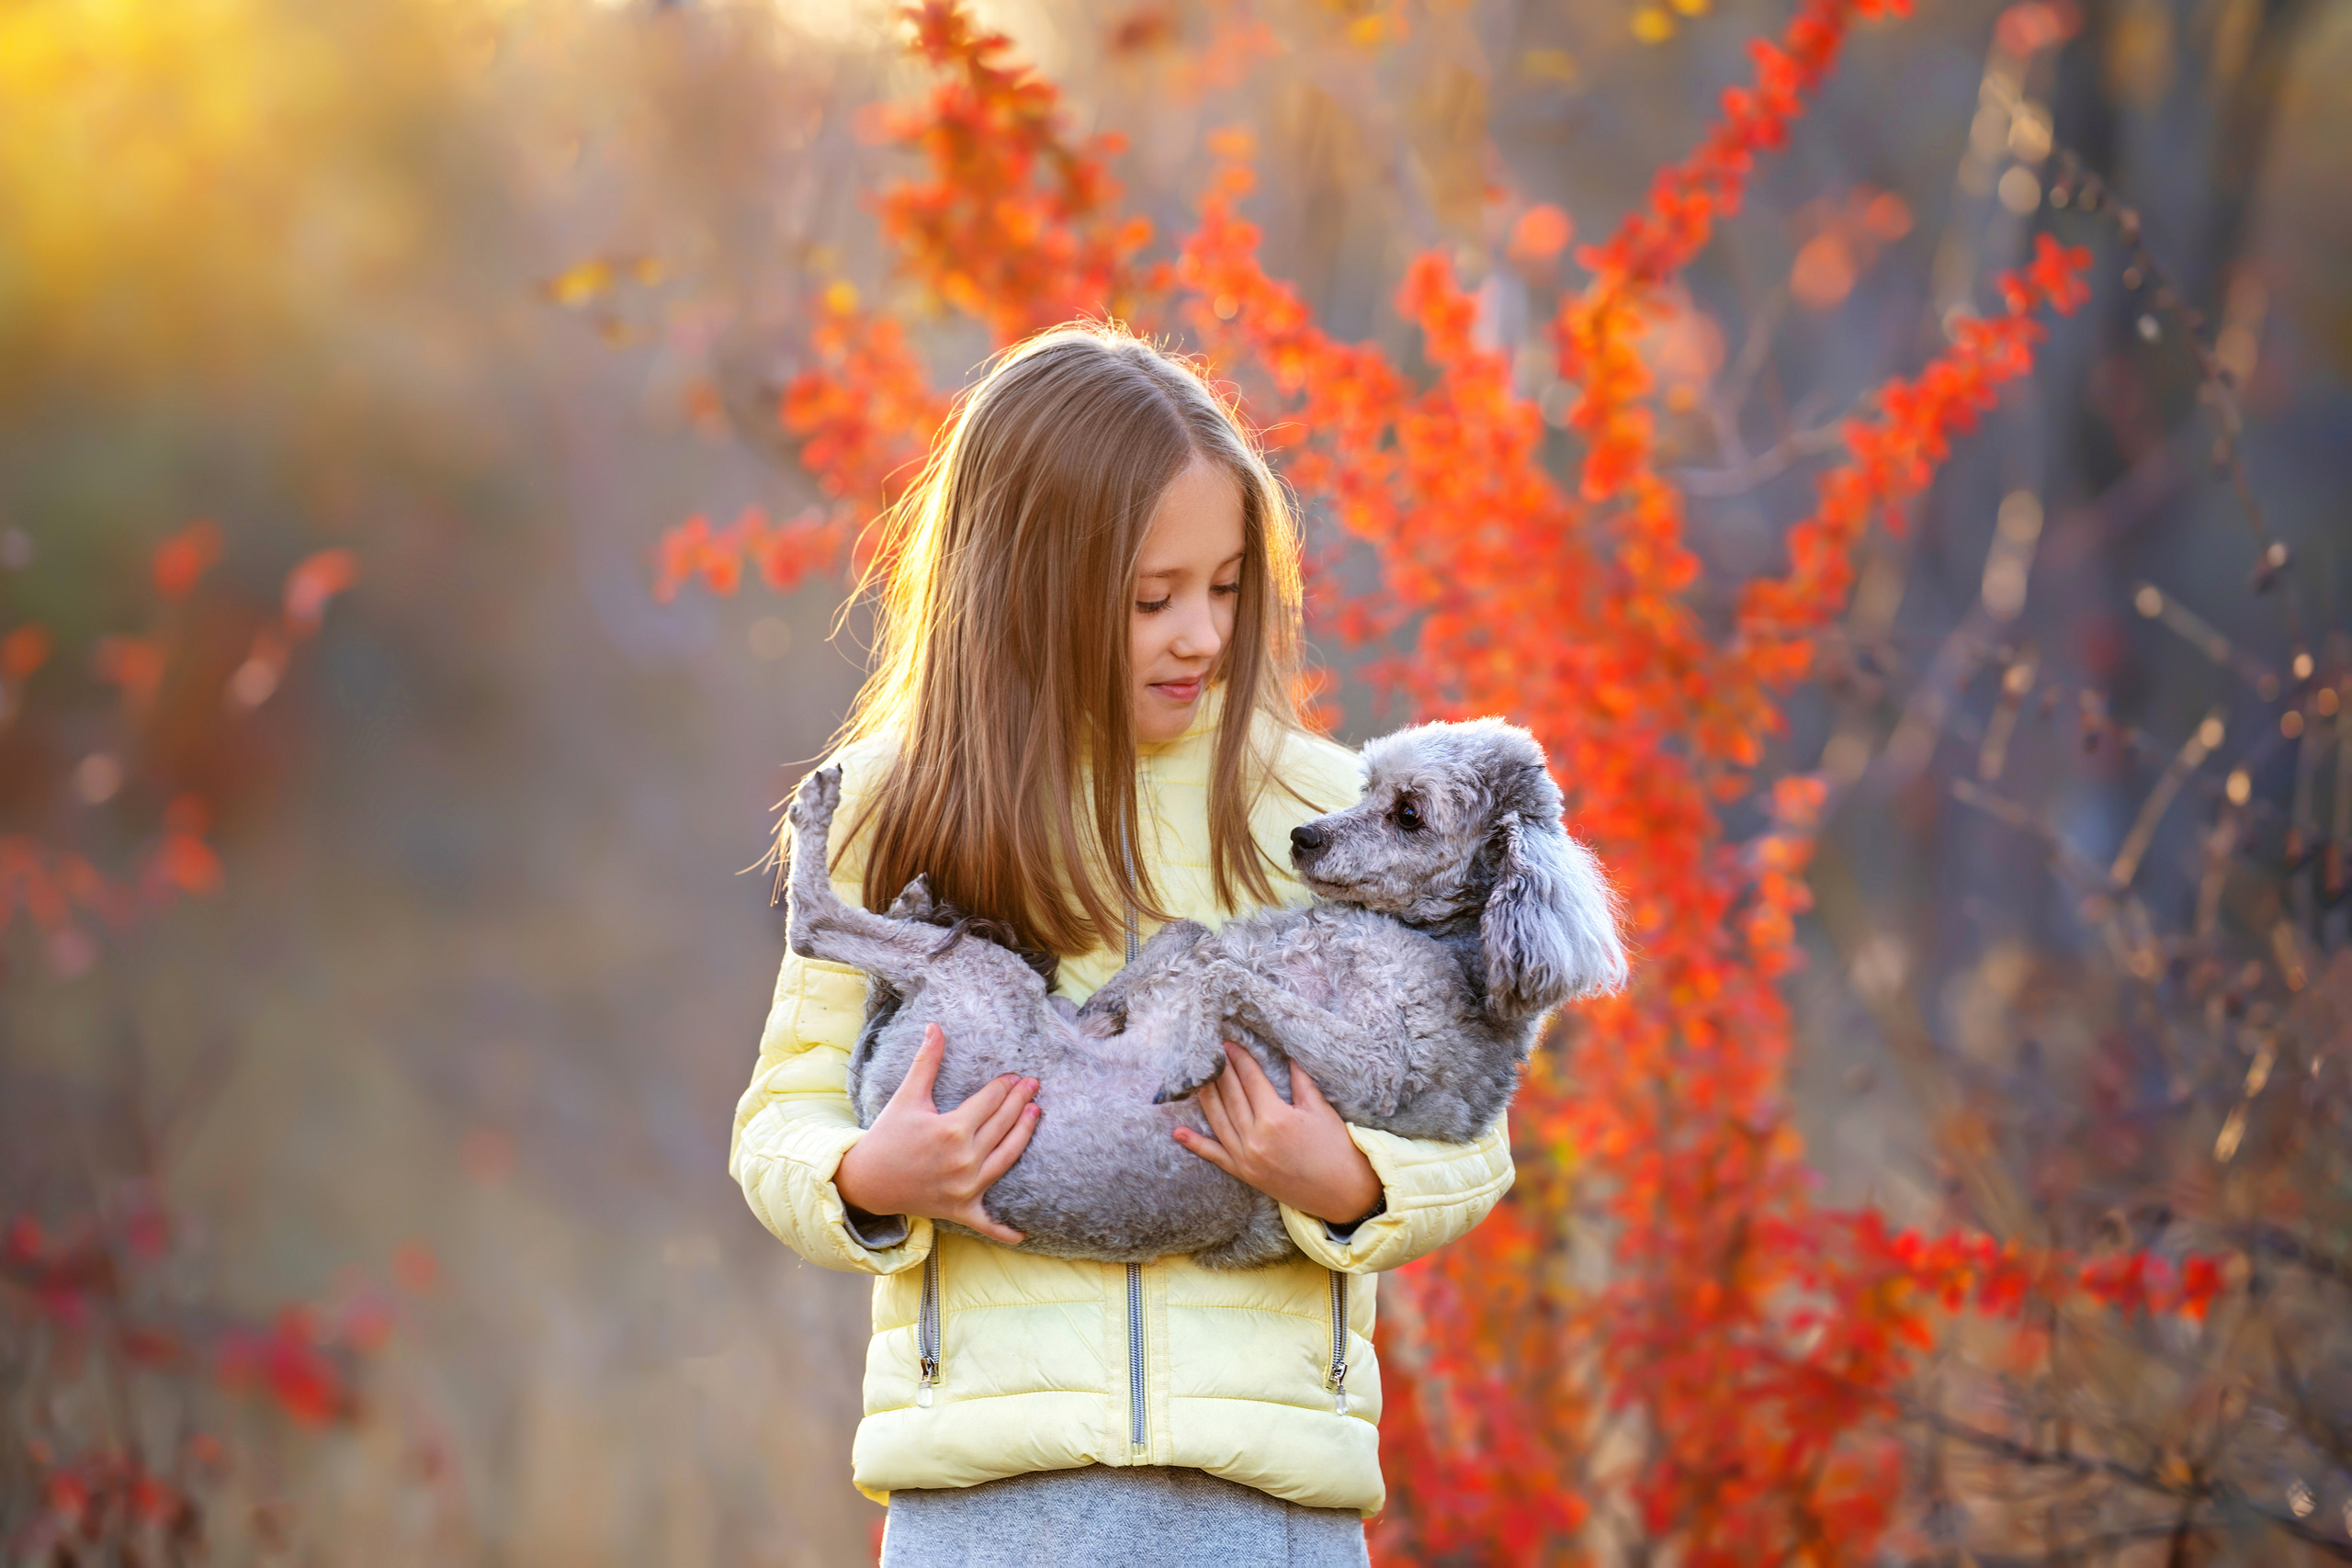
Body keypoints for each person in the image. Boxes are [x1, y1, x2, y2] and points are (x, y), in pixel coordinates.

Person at [728, 322, 1513, 1566]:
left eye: (1227, 588)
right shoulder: (893, 801)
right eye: (1154, 599)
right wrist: (871, 1181)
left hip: (1266, 1512)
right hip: (991, 1510)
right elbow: (780, 1118)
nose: (1201, 634)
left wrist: (1351, 1183)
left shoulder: (1331, 812)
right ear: (1027, 585)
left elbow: (1470, 1133)